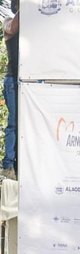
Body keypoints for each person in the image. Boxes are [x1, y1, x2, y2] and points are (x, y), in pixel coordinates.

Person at [2, 0, 19, 180]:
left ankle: (20, 164)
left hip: (27, 82)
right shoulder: (8, 20)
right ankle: (7, 165)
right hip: (13, 80)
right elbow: (12, 28)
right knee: (13, 123)